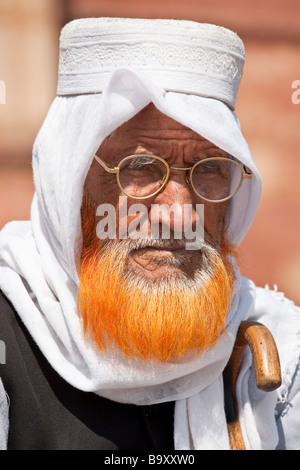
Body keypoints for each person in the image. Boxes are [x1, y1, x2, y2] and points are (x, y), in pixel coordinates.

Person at [0, 17, 299, 451]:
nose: (179, 216)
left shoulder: (274, 349)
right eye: (139, 169)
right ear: (70, 186)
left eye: (210, 169)